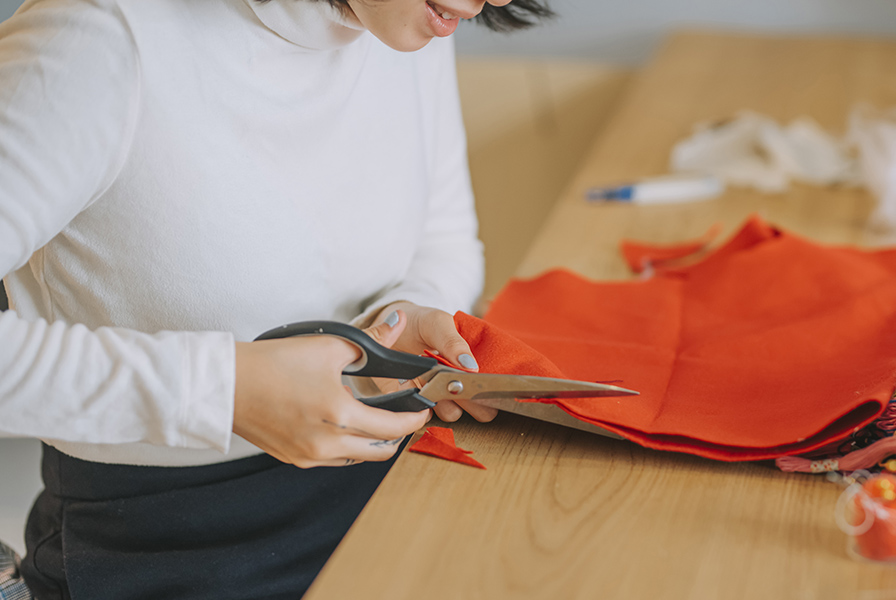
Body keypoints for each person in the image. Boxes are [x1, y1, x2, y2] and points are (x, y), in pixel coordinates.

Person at [0, 0, 551, 597]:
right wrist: (221, 390)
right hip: (170, 540)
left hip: (389, 484)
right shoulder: (96, 36)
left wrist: (397, 325)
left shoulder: (411, 21)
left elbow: (443, 239)